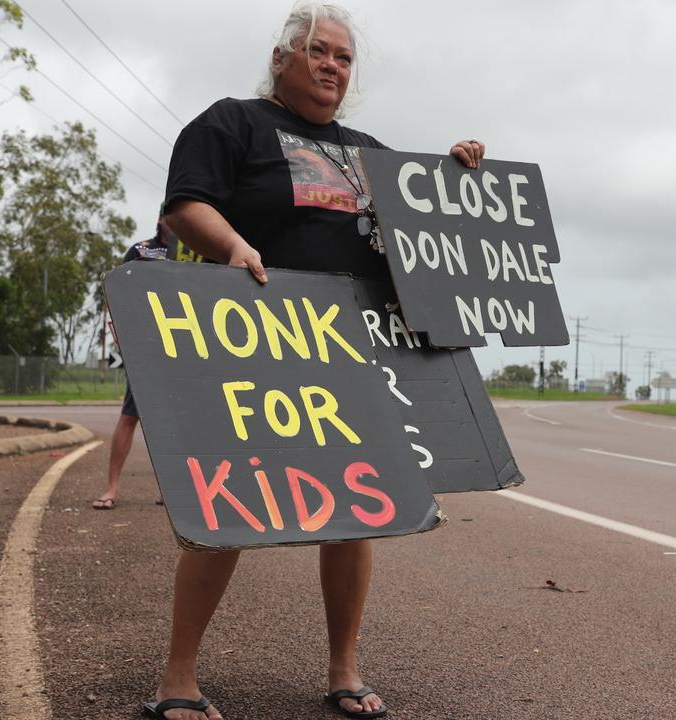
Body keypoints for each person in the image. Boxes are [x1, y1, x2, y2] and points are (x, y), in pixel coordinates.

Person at [142, 4, 486, 719]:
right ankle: (178, 678)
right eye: (319, 52)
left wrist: (454, 178)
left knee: (356, 510)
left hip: (349, 349)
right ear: (283, 58)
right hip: (252, 343)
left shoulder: (366, 151)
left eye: (344, 57)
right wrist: (234, 248)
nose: (332, 65)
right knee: (230, 503)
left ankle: (344, 670)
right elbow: (184, 207)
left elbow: (420, 233)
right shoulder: (233, 123)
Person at [93, 228, 169, 510]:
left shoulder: (195, 255)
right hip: (146, 347)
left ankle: (172, 491)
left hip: (182, 345)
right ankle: (112, 486)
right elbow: (118, 293)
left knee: (177, 422)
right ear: (163, 218)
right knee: (130, 415)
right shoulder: (142, 251)